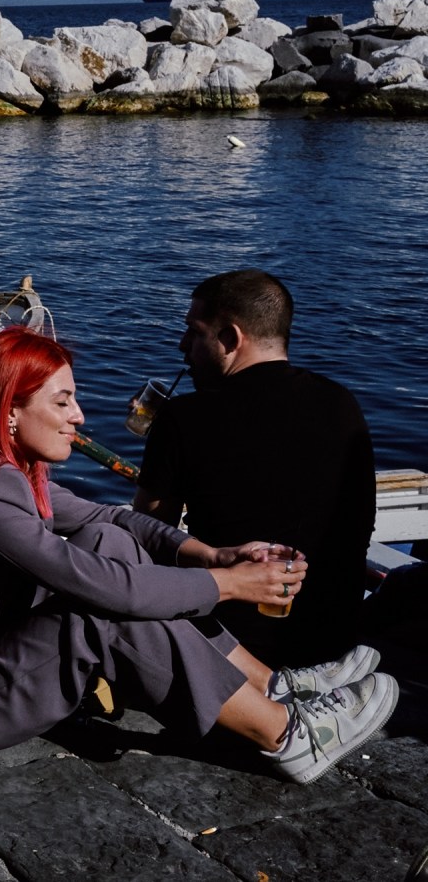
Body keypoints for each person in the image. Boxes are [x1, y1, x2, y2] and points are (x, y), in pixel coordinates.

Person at [0, 327, 397, 798]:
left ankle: (270, 684)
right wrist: (230, 584)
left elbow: (111, 521)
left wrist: (209, 553)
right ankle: (288, 735)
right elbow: (102, 590)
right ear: (10, 411)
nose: (80, 416)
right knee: (101, 611)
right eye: (62, 401)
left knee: (112, 547)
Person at [133, 269, 376, 669]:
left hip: (232, 644)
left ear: (229, 338)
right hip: (334, 638)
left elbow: (149, 536)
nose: (183, 347)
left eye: (194, 333)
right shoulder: (342, 403)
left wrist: (163, 444)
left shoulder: (184, 418)